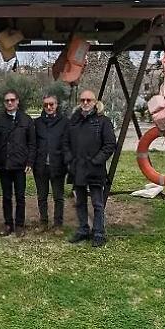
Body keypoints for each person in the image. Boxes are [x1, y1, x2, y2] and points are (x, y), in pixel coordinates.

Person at [64, 90, 116, 247]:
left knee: (97, 203)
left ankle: (99, 232)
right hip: (77, 168)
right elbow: (65, 143)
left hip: (95, 169)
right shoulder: (74, 120)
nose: (85, 103)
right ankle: (83, 229)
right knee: (80, 202)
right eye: (83, 100)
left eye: (89, 100)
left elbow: (109, 145)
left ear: (95, 102)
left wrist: (96, 161)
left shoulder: (103, 121)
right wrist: (69, 160)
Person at [0, 89, 35, 235]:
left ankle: (20, 225)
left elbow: (31, 143)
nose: (10, 103)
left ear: (17, 101)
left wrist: (29, 162)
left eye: (12, 100)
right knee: (6, 196)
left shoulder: (26, 120)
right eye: (7, 101)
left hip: (20, 165)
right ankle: (8, 224)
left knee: (20, 196)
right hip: (4, 164)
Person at [33, 93, 68, 230]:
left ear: (56, 105)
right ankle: (43, 222)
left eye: (51, 104)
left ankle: (58, 224)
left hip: (58, 165)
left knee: (58, 197)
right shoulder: (37, 123)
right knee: (42, 196)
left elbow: (67, 144)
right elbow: (33, 144)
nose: (48, 107)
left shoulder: (65, 122)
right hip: (41, 166)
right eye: (46, 105)